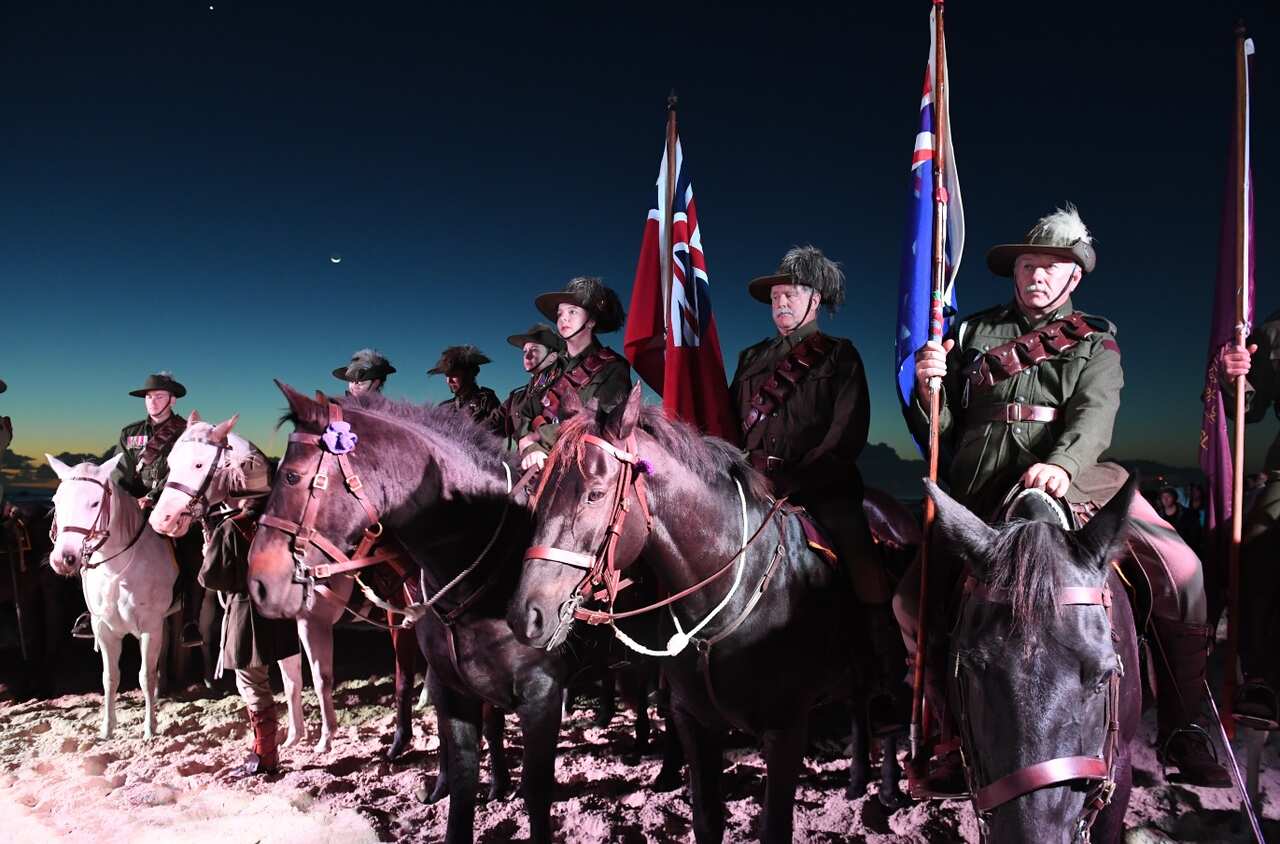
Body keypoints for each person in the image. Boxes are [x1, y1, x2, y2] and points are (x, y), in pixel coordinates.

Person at [896, 205, 1229, 788]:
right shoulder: (970, 334)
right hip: (981, 485)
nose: (1037, 276)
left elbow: (1095, 416)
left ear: (1074, 276)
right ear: (1015, 270)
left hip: (1075, 481)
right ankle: (950, 733)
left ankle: (1185, 723)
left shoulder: (1095, 341)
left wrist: (1063, 463)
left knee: (1184, 573)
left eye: (1051, 267)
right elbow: (946, 430)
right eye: (1028, 265)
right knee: (909, 603)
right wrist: (929, 391)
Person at [728, 246, 901, 715]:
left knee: (859, 557)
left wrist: (795, 481)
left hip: (821, 487)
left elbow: (846, 434)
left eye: (791, 294)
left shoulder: (840, 356)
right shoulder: (751, 357)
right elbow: (728, 421)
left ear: (815, 300)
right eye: (775, 297)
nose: (781, 303)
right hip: (752, 484)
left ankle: (885, 666)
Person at [71, 372, 204, 647]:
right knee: (89, 544)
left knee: (191, 551)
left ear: (172, 400)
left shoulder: (184, 432)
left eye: (159, 396)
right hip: (132, 505)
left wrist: (153, 498)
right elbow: (120, 473)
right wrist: (125, 501)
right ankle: (90, 611)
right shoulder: (130, 433)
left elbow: (182, 472)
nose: (152, 401)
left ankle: (190, 621)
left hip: (171, 504)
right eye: (148, 397)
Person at [197, 454, 299, 775]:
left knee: (253, 685)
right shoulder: (281, 526)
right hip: (278, 609)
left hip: (246, 614)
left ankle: (266, 755)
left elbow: (212, 578)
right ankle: (263, 750)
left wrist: (208, 553)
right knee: (261, 682)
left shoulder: (231, 527)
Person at [1219, 312, 1280, 726]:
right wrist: (1234, 377)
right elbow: (1250, 409)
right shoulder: (1275, 332)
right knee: (1256, 548)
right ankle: (1261, 678)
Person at [519, 277, 631, 471]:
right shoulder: (550, 368)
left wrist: (539, 438)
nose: (563, 318)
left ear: (591, 321)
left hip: (580, 467)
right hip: (535, 459)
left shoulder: (613, 367)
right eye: (560, 313)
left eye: (572, 311)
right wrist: (531, 448)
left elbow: (598, 421)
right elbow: (527, 413)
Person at [497, 323, 563, 452]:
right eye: (525, 351)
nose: (527, 356)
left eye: (534, 350)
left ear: (552, 357)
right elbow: (493, 421)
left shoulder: (567, 389)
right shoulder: (517, 398)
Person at [428, 345, 502, 429]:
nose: (449, 381)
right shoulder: (444, 407)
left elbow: (499, 431)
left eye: (454, 375)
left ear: (468, 375)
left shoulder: (486, 401)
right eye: (447, 376)